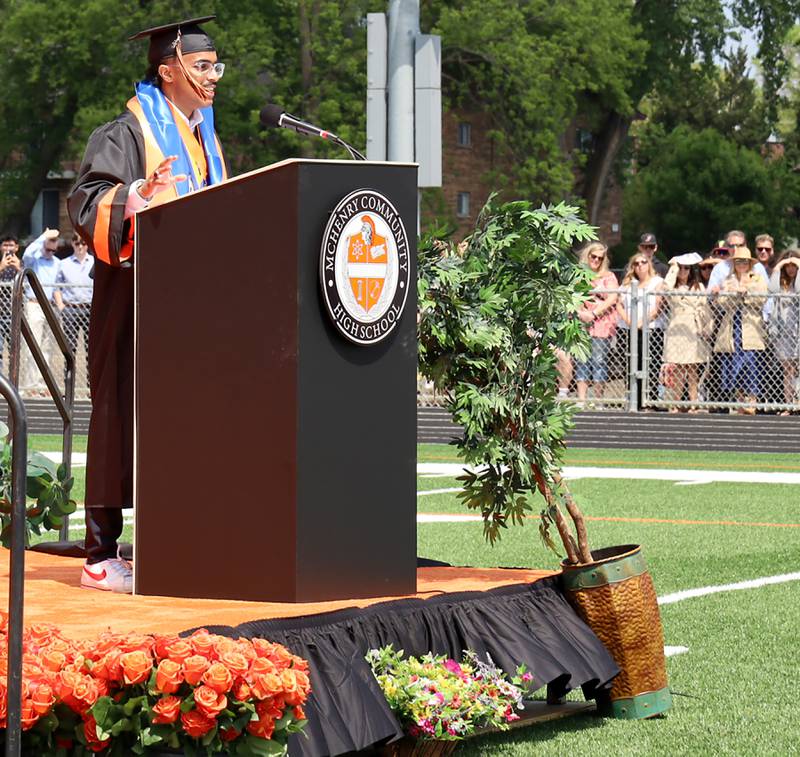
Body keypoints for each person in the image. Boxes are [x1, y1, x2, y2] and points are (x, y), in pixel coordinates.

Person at [68, 16, 228, 593]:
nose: (213, 76)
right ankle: (100, 553)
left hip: (190, 304)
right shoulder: (125, 134)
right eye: (203, 66)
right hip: (133, 296)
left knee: (184, 418)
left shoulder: (204, 136)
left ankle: (175, 541)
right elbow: (88, 204)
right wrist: (137, 193)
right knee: (119, 412)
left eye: (216, 66)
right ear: (169, 69)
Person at [713, 248, 768, 414]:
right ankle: (740, 401)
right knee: (732, 365)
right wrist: (735, 294)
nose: (741, 264)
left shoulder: (757, 278)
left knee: (750, 363)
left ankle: (752, 401)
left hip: (750, 328)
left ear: (750, 263)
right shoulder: (728, 279)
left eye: (744, 261)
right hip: (732, 328)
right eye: (738, 261)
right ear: (733, 263)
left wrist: (746, 293)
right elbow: (722, 302)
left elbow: (761, 299)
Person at [662, 253, 712, 412]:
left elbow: (705, 309)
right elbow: (665, 289)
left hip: (693, 327)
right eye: (681, 268)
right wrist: (673, 268)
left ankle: (693, 403)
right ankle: (675, 404)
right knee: (676, 368)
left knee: (692, 369)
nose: (683, 271)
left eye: (686, 268)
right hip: (677, 327)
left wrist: (706, 327)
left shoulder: (699, 287)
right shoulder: (673, 286)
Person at [616, 253, 664, 409]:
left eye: (644, 262)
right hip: (628, 329)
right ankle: (633, 399)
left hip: (651, 329)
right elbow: (619, 304)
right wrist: (630, 322)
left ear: (649, 264)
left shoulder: (657, 282)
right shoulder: (627, 284)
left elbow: (659, 307)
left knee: (651, 364)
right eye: (636, 263)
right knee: (631, 365)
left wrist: (641, 322)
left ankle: (650, 400)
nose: (640, 265)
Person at [574, 242, 618, 403]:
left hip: (602, 324)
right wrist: (581, 313)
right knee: (582, 360)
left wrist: (593, 313)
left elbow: (613, 298)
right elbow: (573, 297)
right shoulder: (579, 275)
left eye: (600, 258)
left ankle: (598, 400)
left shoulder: (608, 277)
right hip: (581, 323)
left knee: (599, 361)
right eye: (593, 257)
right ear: (588, 256)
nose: (596, 260)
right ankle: (582, 400)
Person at [20, 228, 62, 395]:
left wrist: (60, 307)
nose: (50, 252)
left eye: (53, 249)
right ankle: (31, 385)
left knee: (46, 348)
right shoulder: (34, 260)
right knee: (33, 345)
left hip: (50, 305)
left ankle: (42, 384)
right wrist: (44, 236)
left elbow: (58, 286)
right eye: (48, 248)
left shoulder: (57, 263)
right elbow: (27, 253)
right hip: (34, 304)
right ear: (43, 245)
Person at [54, 234, 94, 390]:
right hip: (71, 309)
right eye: (77, 243)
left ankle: (92, 389)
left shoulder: (94, 262)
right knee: (69, 350)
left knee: (91, 351)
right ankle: (68, 388)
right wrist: (61, 306)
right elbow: (57, 287)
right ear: (72, 243)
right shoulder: (64, 264)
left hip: (89, 309)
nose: (80, 246)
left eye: (83, 243)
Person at [767, 250, 800, 412]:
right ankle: (789, 404)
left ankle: (798, 402)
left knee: (797, 367)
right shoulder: (782, 284)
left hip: (797, 331)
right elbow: (771, 289)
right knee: (788, 368)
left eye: (794, 266)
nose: (791, 269)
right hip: (784, 332)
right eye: (788, 266)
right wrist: (778, 266)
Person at [0, 235, 22, 373]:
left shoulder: (23, 263)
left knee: (14, 352)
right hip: (0, 313)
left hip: (15, 313)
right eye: (5, 245)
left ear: (17, 247)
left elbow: (28, 286)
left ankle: (13, 385)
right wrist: (1, 267)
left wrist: (18, 268)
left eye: (11, 245)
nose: (8, 249)